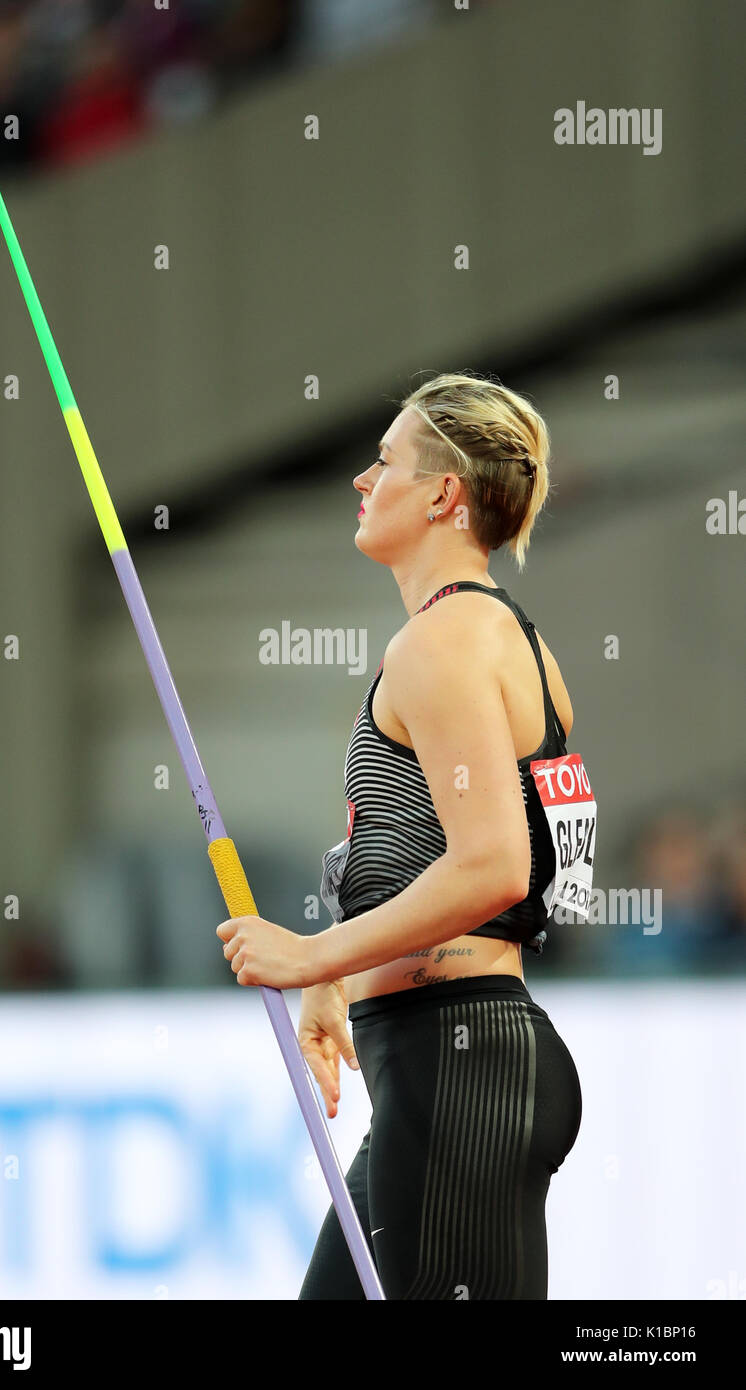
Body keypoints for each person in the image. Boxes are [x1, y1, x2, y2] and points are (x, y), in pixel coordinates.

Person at [217, 370, 589, 1299]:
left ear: (442, 495)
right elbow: (498, 862)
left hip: (462, 1070)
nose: (361, 478)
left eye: (383, 460)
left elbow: (499, 868)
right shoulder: (504, 642)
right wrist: (339, 979)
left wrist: (312, 953)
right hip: (449, 1068)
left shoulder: (447, 641)